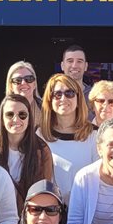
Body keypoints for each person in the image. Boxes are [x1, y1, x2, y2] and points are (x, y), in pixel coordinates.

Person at [38, 73, 99, 201]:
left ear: (78, 99)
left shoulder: (94, 136)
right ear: (49, 100)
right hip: (50, 212)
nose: (63, 98)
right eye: (57, 94)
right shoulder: (39, 135)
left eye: (69, 93)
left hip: (84, 208)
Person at [0, 93, 55, 206]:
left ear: (29, 118)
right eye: (10, 114)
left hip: (29, 214)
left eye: (22, 115)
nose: (16, 119)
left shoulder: (42, 150)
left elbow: (43, 189)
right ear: (2, 119)